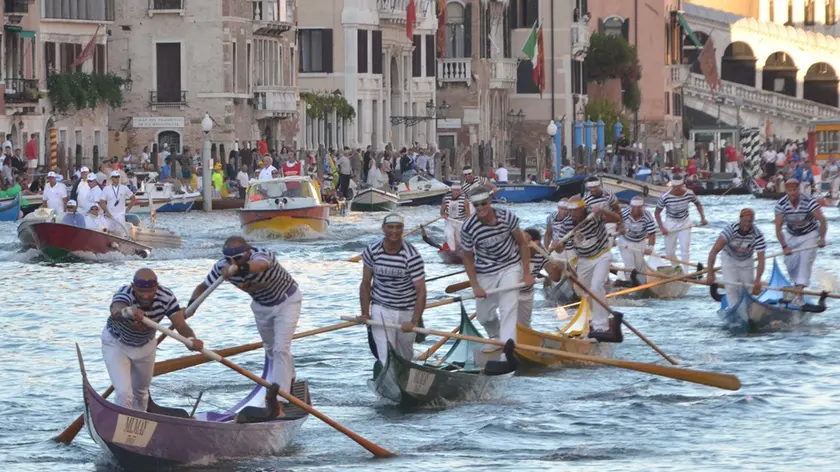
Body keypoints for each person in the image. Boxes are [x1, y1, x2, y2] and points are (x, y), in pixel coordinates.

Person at [190, 236, 301, 409]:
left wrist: (239, 268)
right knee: (272, 351)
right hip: (261, 307)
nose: (232, 262)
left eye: (238, 258)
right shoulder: (221, 267)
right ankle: (289, 376)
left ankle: (281, 401)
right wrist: (191, 307)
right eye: (229, 260)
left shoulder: (262, 255)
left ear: (248, 251)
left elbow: (261, 265)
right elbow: (202, 287)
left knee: (281, 348)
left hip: (287, 302)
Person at [103, 269, 204, 410]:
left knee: (141, 392)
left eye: (150, 291)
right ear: (133, 287)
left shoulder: (166, 297)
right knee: (124, 392)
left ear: (157, 287)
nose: (146, 296)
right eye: (140, 291)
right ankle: (121, 425)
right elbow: (116, 310)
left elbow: (180, 324)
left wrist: (191, 339)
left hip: (146, 345)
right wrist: (128, 312)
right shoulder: (125, 293)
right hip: (117, 344)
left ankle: (138, 425)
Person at [461, 185, 534, 350]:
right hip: (485, 271)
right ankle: (496, 337)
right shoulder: (468, 227)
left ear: (490, 201)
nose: (480, 208)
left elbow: (522, 243)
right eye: (476, 205)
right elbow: (467, 258)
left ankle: (508, 349)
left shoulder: (506, 217)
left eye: (483, 203)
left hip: (511, 265)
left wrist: (526, 273)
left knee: (508, 308)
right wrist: (475, 285)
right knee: (484, 317)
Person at [358, 213, 426, 362]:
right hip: (381, 308)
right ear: (383, 228)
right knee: (386, 352)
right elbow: (365, 284)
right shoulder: (372, 251)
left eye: (398, 227)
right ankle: (388, 371)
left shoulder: (412, 256)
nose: (394, 231)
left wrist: (414, 321)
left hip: (406, 309)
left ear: (402, 229)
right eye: (390, 227)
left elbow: (421, 291)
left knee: (405, 355)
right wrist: (365, 313)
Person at [555, 196, 621, 334]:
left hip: (602, 255)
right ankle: (600, 315)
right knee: (585, 292)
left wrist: (603, 210)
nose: (573, 214)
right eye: (570, 211)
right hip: (584, 260)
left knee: (596, 286)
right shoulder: (567, 224)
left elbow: (617, 219)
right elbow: (560, 248)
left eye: (576, 211)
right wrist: (557, 246)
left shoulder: (595, 214)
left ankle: (600, 326)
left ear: (582, 208)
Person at [774, 178, 827, 302]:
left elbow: (822, 220)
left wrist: (822, 238)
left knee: (805, 262)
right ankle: (796, 288)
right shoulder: (781, 204)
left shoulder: (809, 202)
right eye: (789, 190)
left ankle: (800, 292)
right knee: (790, 263)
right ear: (786, 191)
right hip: (791, 234)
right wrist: (784, 246)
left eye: (794, 190)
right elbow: (778, 229)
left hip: (810, 234)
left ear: (798, 189)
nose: (792, 193)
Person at [707, 209, 766, 308]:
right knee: (731, 287)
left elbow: (761, 260)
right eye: (745, 221)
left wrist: (758, 280)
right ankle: (734, 308)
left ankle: (746, 309)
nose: (747, 224)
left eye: (750, 221)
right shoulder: (730, 230)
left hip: (747, 261)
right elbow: (714, 251)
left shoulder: (758, 234)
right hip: (729, 258)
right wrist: (710, 273)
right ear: (740, 219)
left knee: (747, 289)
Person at [654, 174, 707, 267]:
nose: (676, 189)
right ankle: (677, 268)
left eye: (678, 187)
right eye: (674, 187)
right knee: (669, 252)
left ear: (682, 185)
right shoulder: (665, 197)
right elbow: (657, 213)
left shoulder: (689, 193)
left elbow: (698, 204)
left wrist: (702, 218)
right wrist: (662, 227)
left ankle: (686, 274)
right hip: (670, 223)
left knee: (685, 249)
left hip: (685, 223)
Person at [518, 228, 563, 327]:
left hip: (526, 293)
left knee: (524, 325)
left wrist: (557, 268)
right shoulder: (515, 249)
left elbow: (555, 278)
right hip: (510, 291)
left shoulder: (541, 252)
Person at [617, 196, 656, 281]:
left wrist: (650, 248)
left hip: (640, 242)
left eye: (639, 208)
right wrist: (620, 229)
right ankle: (630, 283)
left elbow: (652, 234)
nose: (636, 210)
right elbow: (616, 227)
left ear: (642, 207)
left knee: (639, 268)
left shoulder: (648, 216)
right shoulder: (624, 214)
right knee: (630, 267)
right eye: (634, 208)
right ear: (631, 207)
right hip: (625, 242)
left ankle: (642, 284)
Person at [99, 170, 135, 236]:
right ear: (111, 178)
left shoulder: (124, 188)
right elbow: (102, 202)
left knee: (122, 235)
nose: (117, 178)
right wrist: (107, 212)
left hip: (120, 215)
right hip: (110, 215)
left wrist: (127, 209)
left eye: (118, 177)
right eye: (115, 177)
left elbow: (133, 198)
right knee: (109, 233)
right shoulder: (106, 189)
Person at [440, 181, 470, 252]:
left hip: (460, 221)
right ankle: (452, 251)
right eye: (455, 190)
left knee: (459, 238)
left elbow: (468, 214)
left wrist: (467, 223)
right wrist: (444, 215)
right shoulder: (445, 199)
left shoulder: (465, 200)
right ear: (452, 190)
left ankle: (462, 251)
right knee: (449, 235)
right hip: (449, 221)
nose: (457, 192)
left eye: (458, 190)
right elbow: (442, 212)